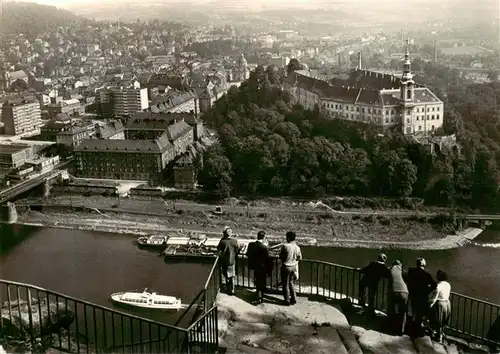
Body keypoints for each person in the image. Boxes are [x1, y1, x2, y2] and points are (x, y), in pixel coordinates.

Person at [406, 258, 436, 331]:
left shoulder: (411, 271)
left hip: (413, 295)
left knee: (413, 311)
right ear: (423, 264)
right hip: (422, 297)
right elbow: (434, 285)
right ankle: (416, 329)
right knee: (419, 314)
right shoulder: (426, 275)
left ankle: (411, 326)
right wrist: (428, 290)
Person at [247, 231, 272, 304]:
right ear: (264, 237)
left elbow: (248, 254)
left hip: (255, 266)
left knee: (257, 281)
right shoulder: (264, 247)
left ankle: (259, 296)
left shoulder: (251, 244)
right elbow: (268, 258)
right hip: (263, 267)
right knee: (261, 282)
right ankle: (259, 298)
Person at [279, 231, 302, 306]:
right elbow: (299, 258)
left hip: (286, 266)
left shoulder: (285, 246)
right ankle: (294, 298)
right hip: (293, 267)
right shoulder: (297, 247)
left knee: (285, 284)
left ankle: (287, 300)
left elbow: (281, 256)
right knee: (291, 283)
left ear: (288, 238)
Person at [428, 270, 451, 343]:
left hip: (440, 303)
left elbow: (434, 297)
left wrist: (430, 304)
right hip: (447, 303)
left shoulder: (439, 286)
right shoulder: (448, 284)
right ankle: (441, 334)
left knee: (438, 320)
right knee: (444, 320)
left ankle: (438, 336)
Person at [388, 260, 409, 335]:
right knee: (403, 312)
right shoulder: (402, 270)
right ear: (400, 265)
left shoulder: (390, 269)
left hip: (394, 291)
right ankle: (401, 331)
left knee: (391, 309)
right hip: (404, 292)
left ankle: (391, 328)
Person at [217, 226, 239, 295]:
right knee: (232, 276)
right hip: (232, 260)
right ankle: (232, 290)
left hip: (224, 260)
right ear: (231, 234)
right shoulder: (235, 241)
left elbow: (218, 248)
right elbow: (238, 250)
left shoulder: (222, 241)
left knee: (226, 275)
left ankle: (228, 288)